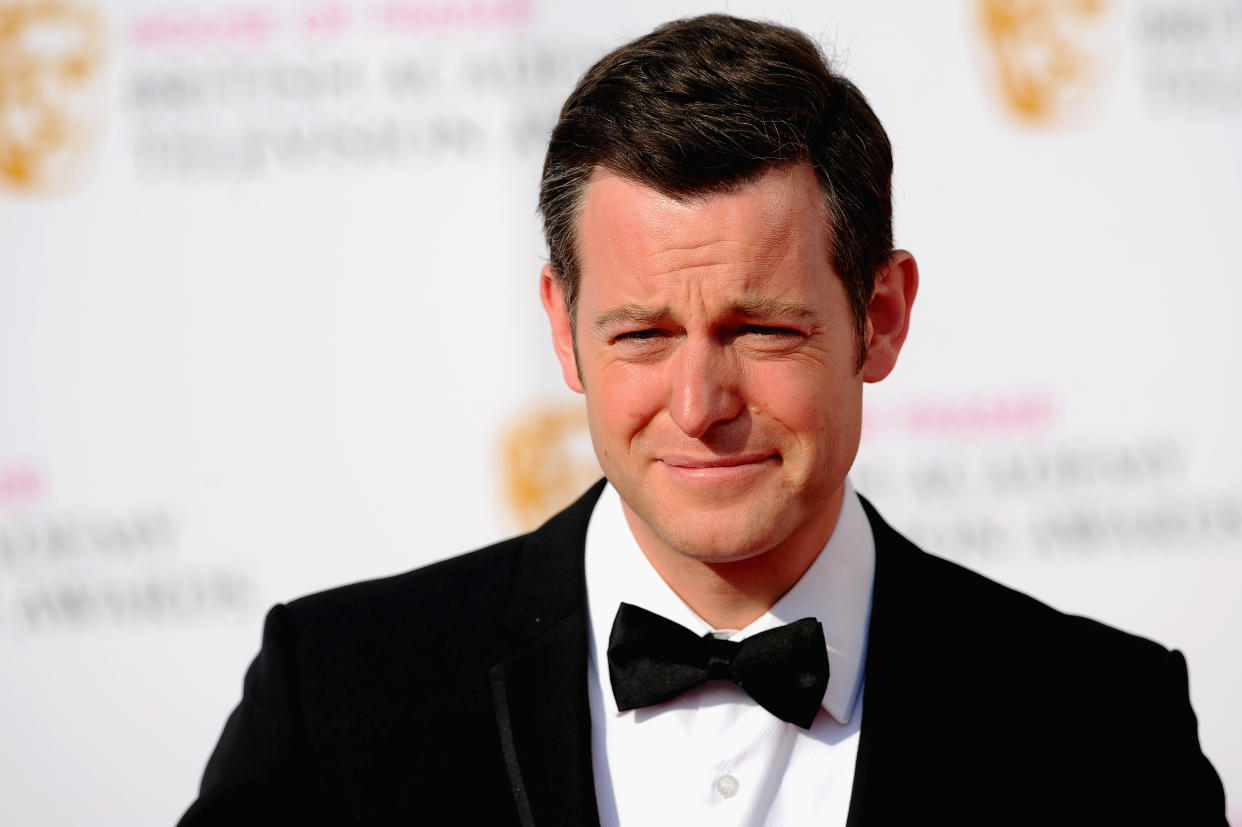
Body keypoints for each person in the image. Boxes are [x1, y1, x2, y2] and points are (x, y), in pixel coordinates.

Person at [178, 14, 1225, 826]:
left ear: (882, 316)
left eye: (759, 328)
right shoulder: (339, 694)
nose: (698, 404)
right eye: (640, 335)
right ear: (564, 327)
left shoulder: (1102, 725)